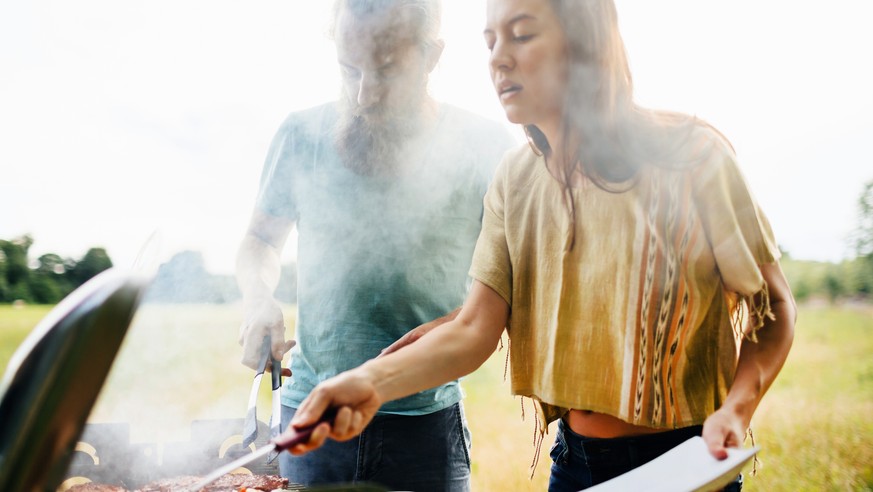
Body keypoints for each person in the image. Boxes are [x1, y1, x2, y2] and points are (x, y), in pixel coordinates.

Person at [283, 0, 797, 491]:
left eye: (522, 34)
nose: (498, 58)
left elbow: (771, 304)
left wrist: (738, 408)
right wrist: (369, 383)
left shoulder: (692, 157)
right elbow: (473, 329)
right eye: (489, 42)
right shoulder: (515, 179)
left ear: (584, 41)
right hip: (572, 467)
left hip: (685, 464)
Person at [235, 0, 515, 490]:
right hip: (311, 417)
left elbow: (514, 288)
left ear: (431, 57)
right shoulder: (301, 134)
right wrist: (259, 298)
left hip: (425, 426)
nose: (364, 94)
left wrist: (457, 324)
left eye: (386, 71)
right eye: (349, 70)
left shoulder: (486, 147)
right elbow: (259, 240)